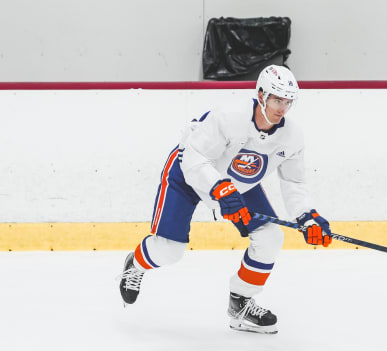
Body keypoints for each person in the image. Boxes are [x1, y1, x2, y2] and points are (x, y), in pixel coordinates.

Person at [117, 65, 333, 334]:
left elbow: (294, 182)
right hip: (188, 172)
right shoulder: (229, 116)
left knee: (270, 237)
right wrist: (221, 190)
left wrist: (307, 216)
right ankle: (135, 264)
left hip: (237, 183)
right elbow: (195, 157)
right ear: (262, 95)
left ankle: (240, 302)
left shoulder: (292, 136)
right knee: (169, 251)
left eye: (288, 101)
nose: (282, 108)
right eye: (277, 99)